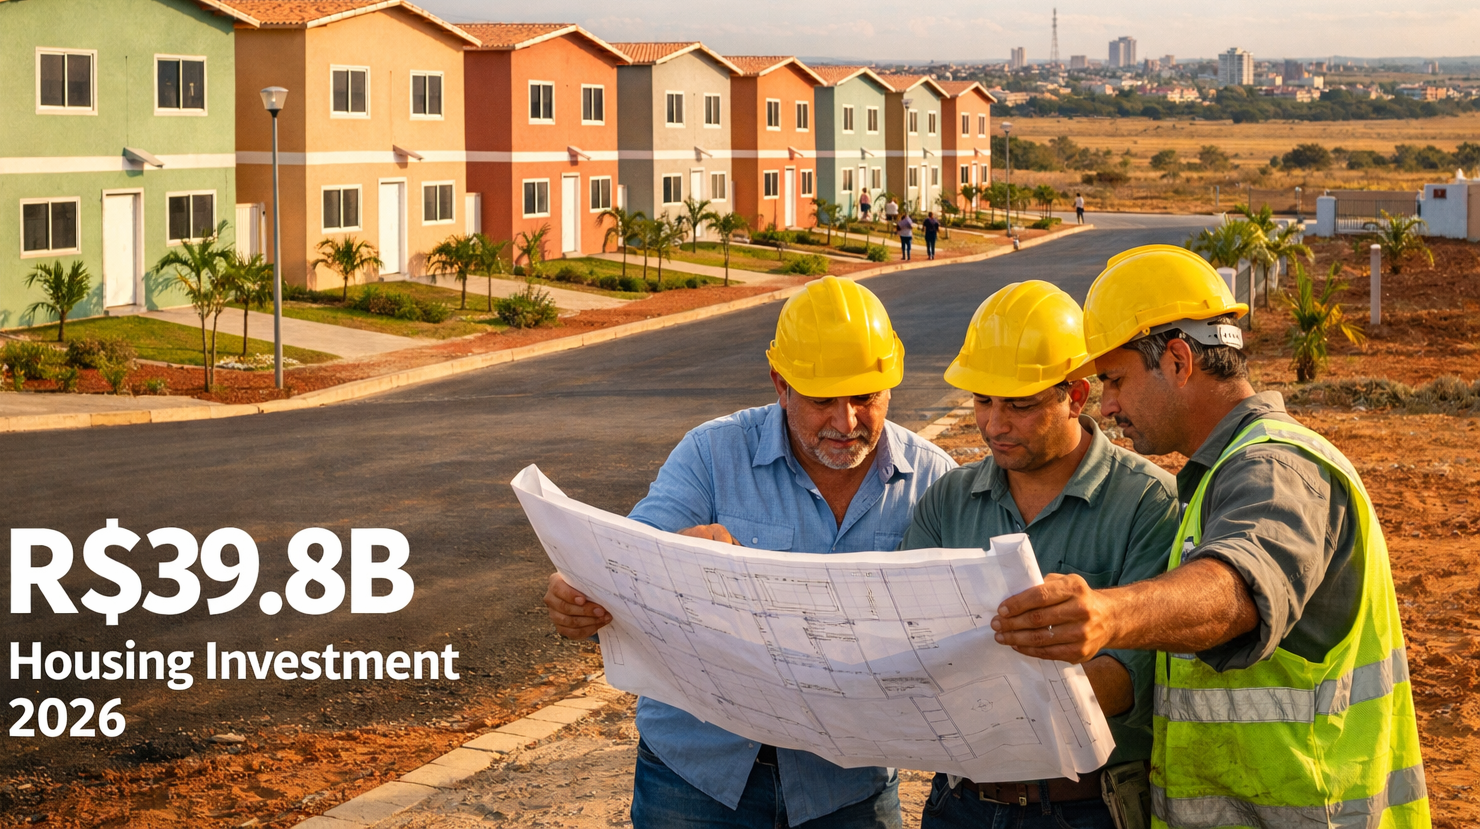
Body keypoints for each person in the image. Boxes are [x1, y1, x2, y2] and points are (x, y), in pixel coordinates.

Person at [991, 245, 1428, 829]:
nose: (1109, 404)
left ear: (1177, 360)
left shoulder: (1274, 466)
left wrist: (1108, 614)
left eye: (1115, 380)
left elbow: (1236, 590)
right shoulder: (1217, 474)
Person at [544, 276, 956, 829]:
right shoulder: (712, 455)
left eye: (865, 397)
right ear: (780, 384)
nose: (846, 421)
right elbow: (623, 565)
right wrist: (583, 592)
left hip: (846, 786)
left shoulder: (933, 480)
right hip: (696, 777)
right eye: (821, 400)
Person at [902, 281, 1179, 829]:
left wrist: (979, 691)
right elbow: (907, 642)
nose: (994, 424)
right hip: (958, 804)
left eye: (1020, 405)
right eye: (982, 400)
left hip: (1086, 809)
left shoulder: (1147, 502)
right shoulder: (948, 502)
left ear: (1076, 397)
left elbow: (1129, 679)